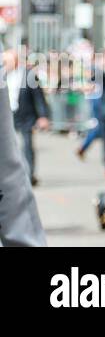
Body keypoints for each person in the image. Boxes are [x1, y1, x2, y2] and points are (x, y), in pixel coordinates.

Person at [0, 81, 45, 246]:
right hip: (16, 116)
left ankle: (32, 172)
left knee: (26, 148)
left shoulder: (28, 77)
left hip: (25, 118)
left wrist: (43, 115)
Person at [4, 50, 49, 186]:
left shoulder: (29, 75)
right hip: (9, 115)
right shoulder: (4, 75)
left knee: (27, 145)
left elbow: (39, 97)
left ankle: (29, 176)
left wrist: (43, 116)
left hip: (26, 115)